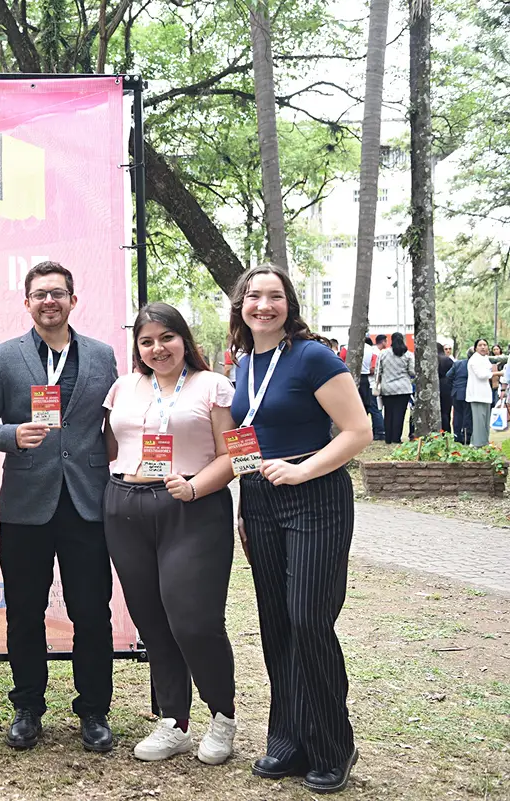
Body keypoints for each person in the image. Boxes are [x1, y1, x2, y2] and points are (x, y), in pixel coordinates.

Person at [229, 265, 370, 794]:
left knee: (309, 618)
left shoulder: (313, 357)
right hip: (260, 497)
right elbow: (247, 439)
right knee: (276, 623)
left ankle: (334, 745)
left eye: (275, 296)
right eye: (254, 296)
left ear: (289, 304)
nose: (264, 305)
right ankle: (288, 741)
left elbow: (358, 431)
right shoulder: (244, 364)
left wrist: (302, 471)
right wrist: (245, 506)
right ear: (241, 305)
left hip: (315, 495)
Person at [0, 261, 118, 753]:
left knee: (92, 613)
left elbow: (116, 420)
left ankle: (94, 711)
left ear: (73, 300)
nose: (49, 301)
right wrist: (12, 435)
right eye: (40, 294)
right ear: (27, 303)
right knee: (24, 612)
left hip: (87, 503)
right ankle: (27, 708)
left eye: (58, 293)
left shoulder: (102, 355)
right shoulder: (3, 357)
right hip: (26, 505)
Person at [101, 303, 238, 765]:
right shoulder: (123, 387)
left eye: (166, 338)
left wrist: (195, 487)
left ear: (184, 340)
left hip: (192, 507)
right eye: (147, 341)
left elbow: (235, 454)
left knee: (193, 622)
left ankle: (222, 716)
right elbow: (109, 447)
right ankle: (174, 722)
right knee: (152, 622)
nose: (157, 349)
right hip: (125, 507)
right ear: (137, 348)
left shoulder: (212, 385)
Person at [376, 332, 414, 444]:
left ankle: (388, 437)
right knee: (400, 414)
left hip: (387, 388)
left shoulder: (383, 354)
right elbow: (412, 371)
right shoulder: (408, 354)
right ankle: (396, 437)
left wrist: (378, 383)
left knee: (388, 413)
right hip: (403, 388)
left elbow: (378, 371)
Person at [467, 339, 499, 447]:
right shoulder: (474, 359)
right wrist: (498, 373)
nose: (483, 347)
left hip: (485, 394)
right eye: (480, 345)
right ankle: (478, 444)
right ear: (475, 348)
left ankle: (484, 442)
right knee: (479, 422)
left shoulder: (485, 358)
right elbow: (481, 375)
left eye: (485, 345)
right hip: (477, 395)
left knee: (485, 422)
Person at [358, 337, 386, 441]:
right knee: (374, 409)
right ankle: (379, 432)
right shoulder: (373, 351)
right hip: (371, 384)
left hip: (362, 383)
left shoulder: (347, 349)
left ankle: (364, 433)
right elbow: (374, 369)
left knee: (362, 409)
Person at [447, 350, 472, 444]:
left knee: (457, 415)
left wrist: (454, 385)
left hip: (457, 392)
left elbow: (448, 375)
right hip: (468, 392)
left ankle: (457, 436)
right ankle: (466, 437)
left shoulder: (458, 363)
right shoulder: (473, 365)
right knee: (467, 415)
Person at [437, 343, 454, 434]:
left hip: (436, 385)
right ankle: (447, 431)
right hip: (447, 386)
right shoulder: (448, 360)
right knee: (446, 412)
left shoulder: (433, 360)